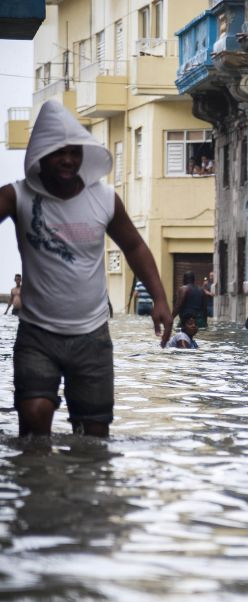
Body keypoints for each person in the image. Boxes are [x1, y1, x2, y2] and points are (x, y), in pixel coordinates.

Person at [0, 100, 171, 437]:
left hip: (91, 335)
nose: (67, 159)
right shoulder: (16, 196)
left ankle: (81, 490)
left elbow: (135, 246)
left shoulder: (104, 198)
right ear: (39, 155)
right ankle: (40, 485)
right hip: (37, 333)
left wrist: (161, 301)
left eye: (74, 152)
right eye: (57, 152)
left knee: (93, 434)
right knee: (34, 416)